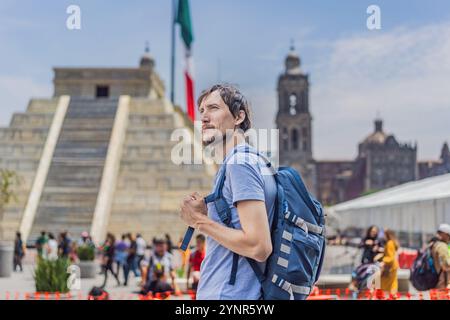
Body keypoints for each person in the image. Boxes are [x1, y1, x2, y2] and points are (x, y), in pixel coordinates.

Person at [179, 84, 276, 300]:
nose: (203, 117)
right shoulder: (247, 162)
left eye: (213, 108)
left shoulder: (240, 164)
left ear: (238, 117)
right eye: (202, 111)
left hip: (231, 296)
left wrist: (199, 222)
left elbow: (259, 246)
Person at [380, 229, 399, 295]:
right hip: (393, 266)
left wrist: (383, 261)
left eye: (384, 234)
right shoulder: (392, 242)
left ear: (387, 235)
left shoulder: (389, 243)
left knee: (385, 284)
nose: (383, 236)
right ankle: (394, 297)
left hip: (390, 267)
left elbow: (390, 257)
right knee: (393, 284)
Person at [430, 223, 450, 289]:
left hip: (435, 278)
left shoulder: (433, 244)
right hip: (442, 280)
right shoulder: (442, 246)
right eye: (448, 235)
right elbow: (447, 264)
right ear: (443, 234)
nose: (449, 238)